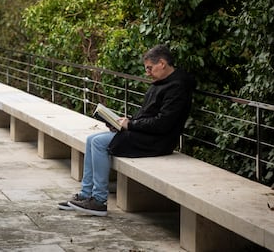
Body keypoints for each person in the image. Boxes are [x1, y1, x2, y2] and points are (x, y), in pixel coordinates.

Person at [58, 44, 196, 216]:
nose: (147, 73)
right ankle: (85, 195)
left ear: (162, 63)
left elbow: (163, 124)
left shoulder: (177, 87)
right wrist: (121, 123)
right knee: (91, 139)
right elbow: (147, 114)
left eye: (149, 68)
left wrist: (130, 125)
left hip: (157, 141)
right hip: (144, 134)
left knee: (99, 143)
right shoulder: (161, 83)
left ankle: (99, 201)